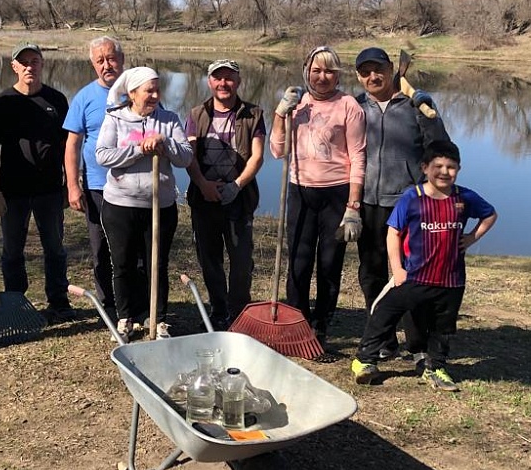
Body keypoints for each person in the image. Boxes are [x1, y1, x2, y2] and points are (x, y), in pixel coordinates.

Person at [351, 140, 497, 391]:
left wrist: (471, 238)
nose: (444, 172)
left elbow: (490, 214)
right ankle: (365, 361)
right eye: (438, 166)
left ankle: (436, 367)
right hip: (415, 275)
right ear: (425, 167)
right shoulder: (412, 197)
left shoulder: (465, 197)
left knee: (443, 327)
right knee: (384, 313)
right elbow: (393, 232)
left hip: (451, 280)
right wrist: (397, 269)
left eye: (451, 167)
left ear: (459, 169)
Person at [354, 46, 451, 358]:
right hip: (369, 203)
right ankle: (383, 339)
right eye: (365, 71)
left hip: (406, 205)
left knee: (411, 275)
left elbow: (441, 148)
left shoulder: (413, 106)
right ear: (358, 76)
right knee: (371, 274)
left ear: (390, 70)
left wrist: (429, 111)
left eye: (378, 69)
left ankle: (418, 344)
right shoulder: (355, 107)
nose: (373, 76)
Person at [270, 46, 366, 354]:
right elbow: (277, 150)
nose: (322, 77)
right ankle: (296, 322)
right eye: (316, 70)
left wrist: (353, 206)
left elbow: (358, 156)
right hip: (301, 191)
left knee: (329, 263)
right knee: (298, 262)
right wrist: (280, 113)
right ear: (306, 71)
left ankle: (321, 325)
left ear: (337, 75)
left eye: (329, 71)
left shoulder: (349, 105)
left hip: (336, 193)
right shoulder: (298, 104)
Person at [0, 43, 74, 321]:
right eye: (24, 62)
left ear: (42, 65)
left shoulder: (56, 101)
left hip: (50, 189)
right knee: (12, 251)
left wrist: (70, 183)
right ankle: (15, 303)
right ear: (14, 66)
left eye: (35, 61)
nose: (30, 67)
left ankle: (59, 302)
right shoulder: (1, 103)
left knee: (55, 248)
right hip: (13, 191)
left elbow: (69, 145)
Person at [96, 66, 193, 340]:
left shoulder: (169, 119)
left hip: (159, 206)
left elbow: (186, 158)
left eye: (156, 89)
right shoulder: (115, 119)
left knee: (157, 263)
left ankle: (158, 318)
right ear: (132, 93)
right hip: (120, 205)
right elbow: (103, 156)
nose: (154, 95)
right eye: (148, 90)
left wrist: (165, 145)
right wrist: (139, 150)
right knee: (123, 263)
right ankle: (125, 317)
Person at [184, 59, 266, 330]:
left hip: (238, 199)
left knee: (242, 260)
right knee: (210, 260)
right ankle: (219, 310)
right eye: (217, 78)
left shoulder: (253, 114)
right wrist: (203, 184)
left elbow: (257, 157)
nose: (223, 83)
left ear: (238, 81)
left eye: (229, 78)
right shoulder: (196, 114)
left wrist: (237, 185)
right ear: (209, 82)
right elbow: (190, 156)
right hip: (204, 199)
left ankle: (239, 310)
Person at [62, 36, 125, 314]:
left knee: (130, 248)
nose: (106, 65)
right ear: (92, 64)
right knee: (100, 247)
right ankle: (107, 301)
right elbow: (72, 144)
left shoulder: (136, 91)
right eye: (100, 60)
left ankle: (132, 301)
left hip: (131, 188)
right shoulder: (85, 97)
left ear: (121, 60)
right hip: (97, 186)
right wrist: (73, 186)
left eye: (111, 58)